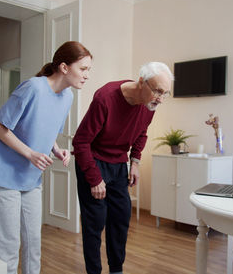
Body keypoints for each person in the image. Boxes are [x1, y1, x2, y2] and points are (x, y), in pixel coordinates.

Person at [0, 41, 92, 274]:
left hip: (31, 180)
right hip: (6, 177)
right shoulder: (33, 87)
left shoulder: (67, 97)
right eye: (83, 69)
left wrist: (56, 149)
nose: (86, 76)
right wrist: (30, 153)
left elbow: (47, 129)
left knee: (33, 245)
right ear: (64, 67)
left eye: (88, 71)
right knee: (8, 248)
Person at [72, 62, 173, 274]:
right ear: (142, 82)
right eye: (157, 91)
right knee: (95, 223)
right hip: (93, 161)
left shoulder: (149, 105)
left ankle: (116, 270)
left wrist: (135, 162)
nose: (160, 99)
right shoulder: (106, 98)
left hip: (119, 164)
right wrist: (94, 178)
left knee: (120, 218)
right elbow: (81, 142)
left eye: (165, 94)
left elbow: (141, 133)